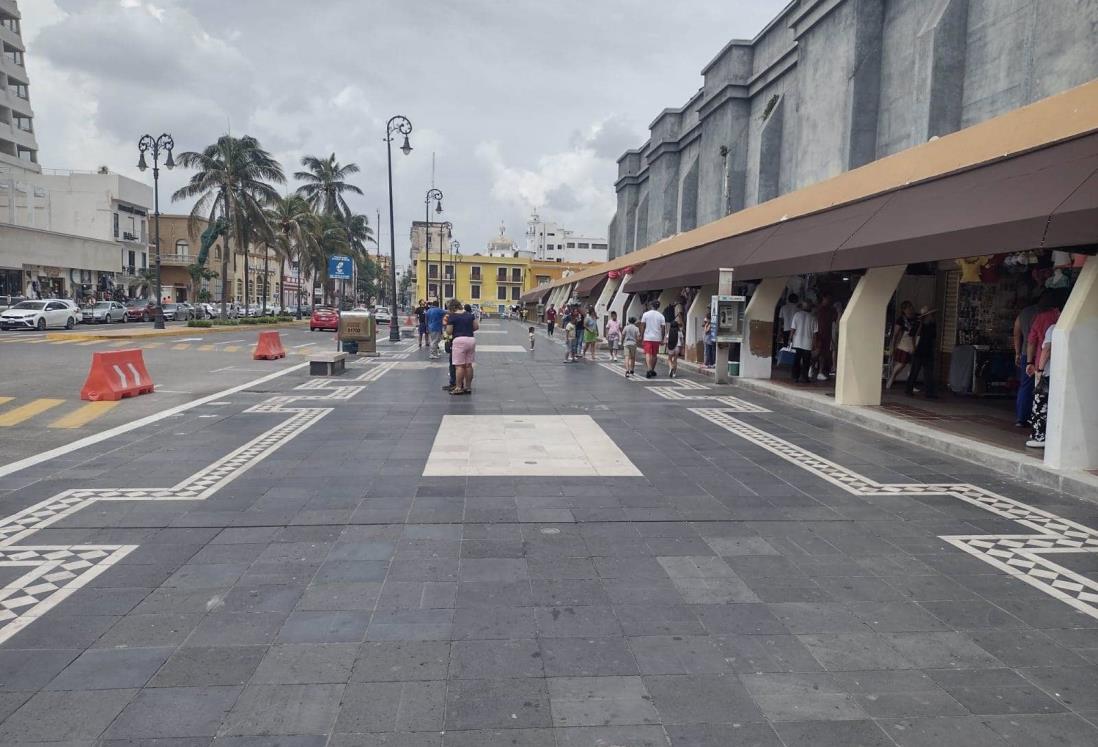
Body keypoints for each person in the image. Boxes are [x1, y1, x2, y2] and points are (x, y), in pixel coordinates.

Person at [1024, 291, 1062, 419]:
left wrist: (1030, 362)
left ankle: (1037, 430)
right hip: (1061, 364)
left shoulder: (1041, 318)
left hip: (1043, 363)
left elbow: (1031, 341)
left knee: (1040, 397)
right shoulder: (1062, 318)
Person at [1012, 297, 1040, 427]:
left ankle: (1021, 417)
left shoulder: (1023, 313)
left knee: (1025, 385)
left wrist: (1017, 352)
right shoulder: (1048, 313)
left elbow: (1017, 333)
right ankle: (1035, 417)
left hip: (1024, 353)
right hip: (1040, 353)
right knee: (1041, 386)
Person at [1026, 322, 1054, 448]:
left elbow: (1047, 349)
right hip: (1061, 374)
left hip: (1048, 373)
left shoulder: (1053, 328)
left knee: (1040, 403)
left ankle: (1039, 436)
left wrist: (1040, 370)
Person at [905, 306, 938, 398]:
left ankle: (929, 392)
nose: (932, 316)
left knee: (929, 373)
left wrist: (934, 349)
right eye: (930, 315)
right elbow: (912, 336)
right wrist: (913, 347)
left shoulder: (932, 324)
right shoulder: (918, 324)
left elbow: (934, 338)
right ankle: (908, 389)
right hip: (918, 351)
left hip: (928, 351)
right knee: (914, 371)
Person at [448, 302, 479, 395]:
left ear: (452, 308)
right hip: (471, 340)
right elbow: (476, 327)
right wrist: (467, 329)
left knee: (459, 366)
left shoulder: (452, 316)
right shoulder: (470, 315)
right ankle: (468, 387)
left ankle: (458, 388)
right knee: (468, 365)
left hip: (459, 340)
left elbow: (449, 331)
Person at [885, 301, 916, 389]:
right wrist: (892, 346)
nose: (910, 309)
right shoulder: (901, 320)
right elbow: (895, 334)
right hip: (904, 343)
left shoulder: (916, 317)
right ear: (904, 310)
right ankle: (892, 378)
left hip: (915, 341)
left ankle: (910, 383)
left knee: (913, 365)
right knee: (902, 363)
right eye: (908, 308)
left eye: (911, 307)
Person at [789, 300, 817, 384]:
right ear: (810, 308)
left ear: (802, 307)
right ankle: (804, 378)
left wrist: (790, 339)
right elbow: (815, 332)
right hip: (808, 342)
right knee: (806, 361)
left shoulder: (797, 315)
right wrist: (814, 343)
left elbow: (793, 329)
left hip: (797, 341)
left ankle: (795, 377)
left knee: (796, 360)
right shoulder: (813, 317)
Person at [639, 300, 666, 378]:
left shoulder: (646, 314)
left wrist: (641, 335)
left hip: (647, 337)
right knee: (654, 354)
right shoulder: (661, 316)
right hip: (657, 338)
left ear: (651, 305)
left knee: (648, 353)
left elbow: (642, 326)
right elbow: (663, 328)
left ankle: (649, 369)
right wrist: (662, 338)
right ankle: (652, 369)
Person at [815, 292, 836, 381]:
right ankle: (811, 368)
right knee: (816, 352)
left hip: (827, 335)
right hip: (818, 334)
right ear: (823, 298)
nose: (829, 300)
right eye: (827, 298)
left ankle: (820, 372)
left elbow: (835, 321)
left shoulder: (831, 310)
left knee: (823, 354)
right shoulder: (819, 309)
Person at [665, 303, 683, 378]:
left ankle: (671, 367)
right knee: (675, 360)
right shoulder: (680, 332)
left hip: (671, 347)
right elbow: (682, 341)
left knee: (669, 359)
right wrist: (682, 347)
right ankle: (674, 373)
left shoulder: (670, 332)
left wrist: (666, 346)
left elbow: (667, 340)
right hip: (677, 347)